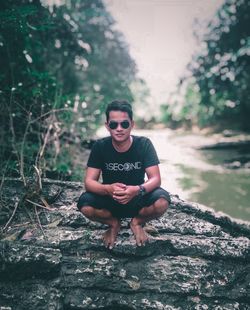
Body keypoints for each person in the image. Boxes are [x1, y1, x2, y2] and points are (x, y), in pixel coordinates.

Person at [77, 100, 171, 249]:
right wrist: (107, 189)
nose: (119, 129)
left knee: (162, 202)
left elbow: (155, 179)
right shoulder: (100, 147)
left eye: (124, 124)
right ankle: (113, 223)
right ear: (107, 126)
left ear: (132, 125)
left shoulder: (144, 144)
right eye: (114, 124)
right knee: (84, 205)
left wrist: (137, 190)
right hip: (110, 200)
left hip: (137, 199)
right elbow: (89, 182)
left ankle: (137, 222)